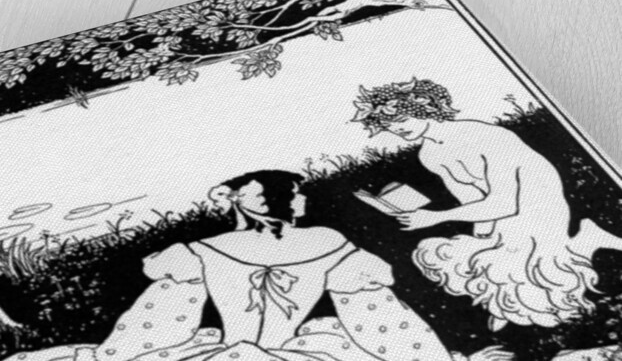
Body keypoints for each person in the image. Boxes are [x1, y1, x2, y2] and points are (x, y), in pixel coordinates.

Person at [7, 170, 512, 361]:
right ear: (286, 203)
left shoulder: (200, 251)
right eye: (296, 195)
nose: (301, 200)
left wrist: (110, 359)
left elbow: (157, 326)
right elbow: (377, 319)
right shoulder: (327, 243)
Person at [351, 76, 622, 331]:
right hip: (497, 208)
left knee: (545, 270)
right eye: (388, 125)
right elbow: (471, 199)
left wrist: (436, 216)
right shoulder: (429, 154)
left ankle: (588, 238)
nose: (396, 128)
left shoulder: (486, 136)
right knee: (476, 258)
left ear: (426, 109)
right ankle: (502, 300)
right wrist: (483, 241)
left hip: (535, 201)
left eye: (401, 119)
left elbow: (506, 204)